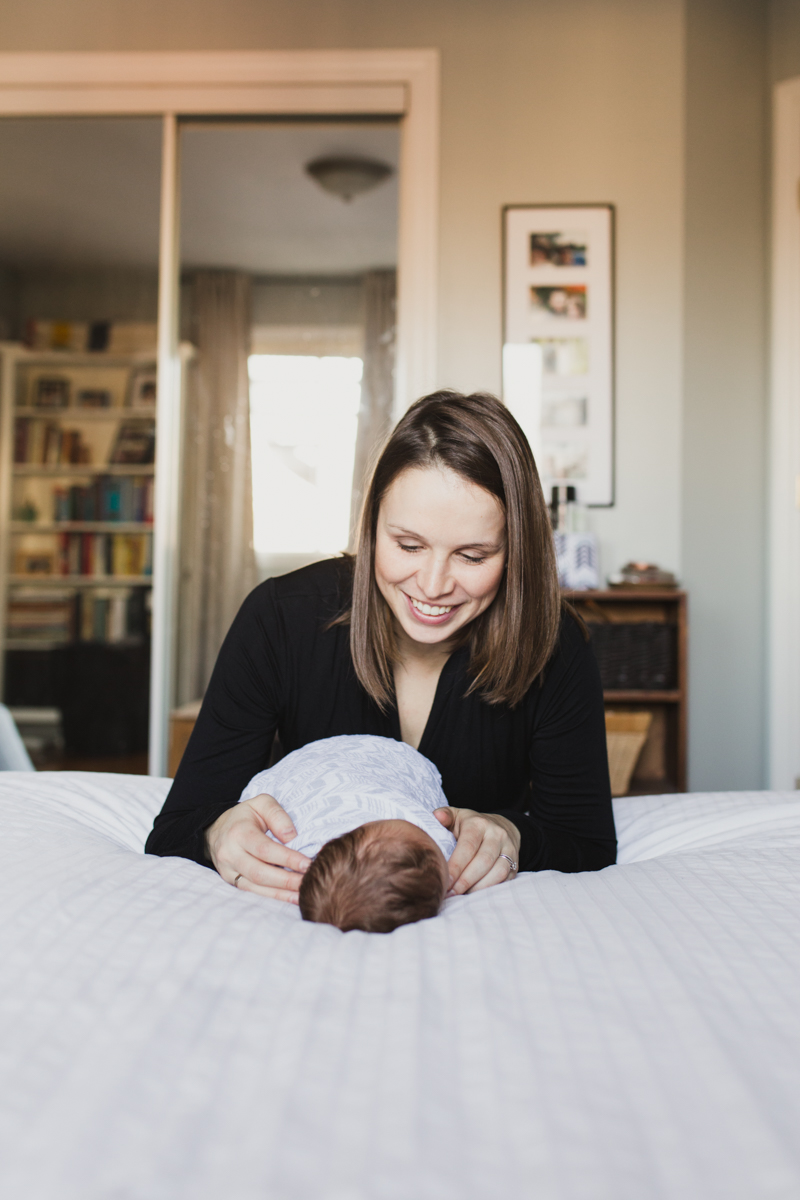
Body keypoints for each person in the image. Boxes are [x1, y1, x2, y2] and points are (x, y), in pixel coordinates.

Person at [146, 390, 616, 906]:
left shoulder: (555, 644)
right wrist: (217, 833)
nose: (433, 585)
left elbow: (587, 842)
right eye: (408, 546)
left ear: (516, 553)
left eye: (473, 555)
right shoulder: (281, 618)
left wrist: (515, 833)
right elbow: (176, 825)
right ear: (371, 528)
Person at [236, 733, 456, 933]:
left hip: (309, 771)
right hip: (384, 766)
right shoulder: (438, 840)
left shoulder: (292, 854)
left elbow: (250, 833)